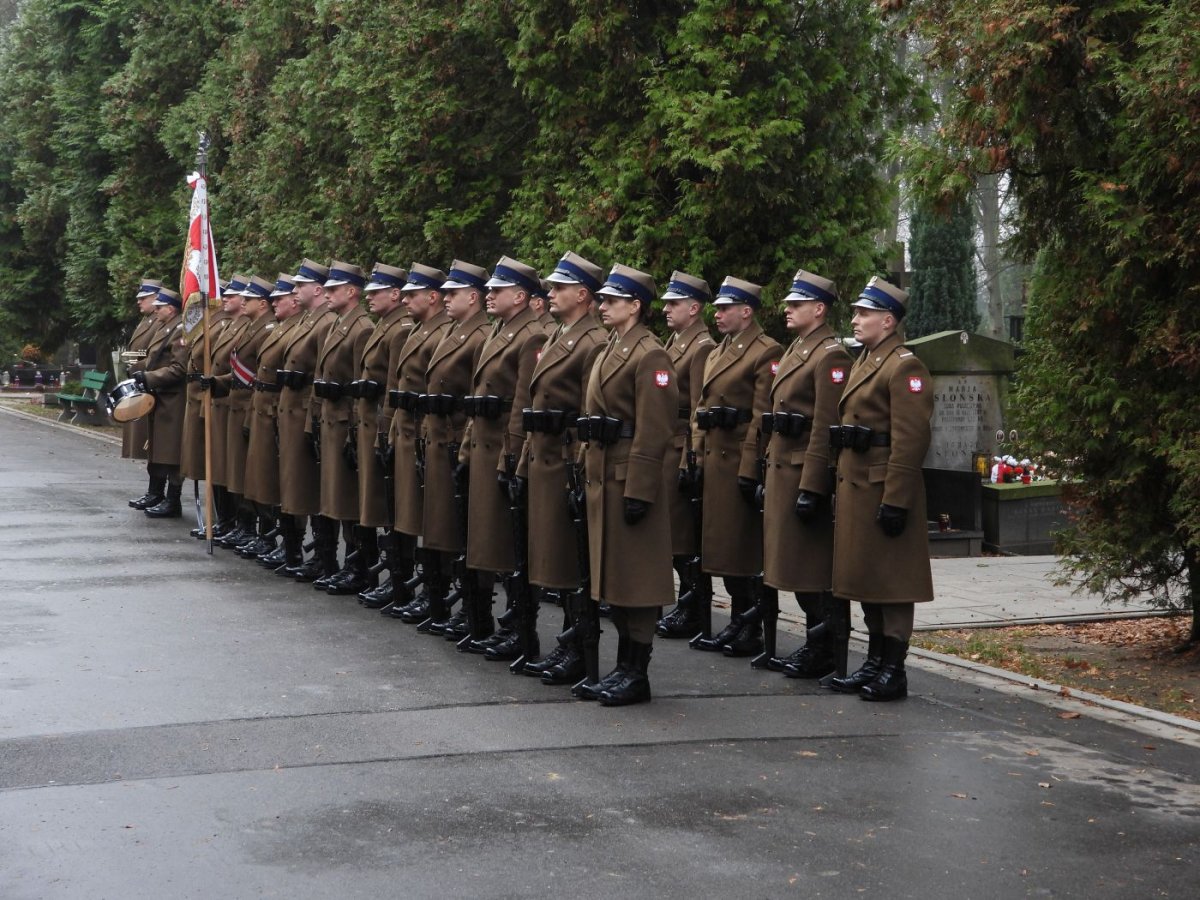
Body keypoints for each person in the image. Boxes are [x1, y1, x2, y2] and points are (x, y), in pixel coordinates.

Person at [828, 277, 934, 702]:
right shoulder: (866, 359)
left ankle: (894, 668)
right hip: (858, 486)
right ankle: (874, 661)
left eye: (864, 313)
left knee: (892, 583)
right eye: (856, 312)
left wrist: (896, 500)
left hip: (883, 487)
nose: (855, 319)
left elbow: (911, 440)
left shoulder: (904, 366)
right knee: (867, 578)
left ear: (888, 320)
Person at [577, 263, 678, 705]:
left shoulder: (650, 355)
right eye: (602, 299)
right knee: (614, 580)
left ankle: (637, 672)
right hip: (603, 474)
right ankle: (623, 668)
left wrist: (639, 489)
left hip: (628, 479)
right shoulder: (609, 349)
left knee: (636, 580)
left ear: (635, 305)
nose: (602, 306)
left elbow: (655, 429)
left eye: (612, 300)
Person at [513, 251, 607, 682]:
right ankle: (567, 643)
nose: (550, 293)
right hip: (543, 458)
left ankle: (577, 646)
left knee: (571, 560)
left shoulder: (593, 341)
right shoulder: (557, 335)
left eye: (560, 287)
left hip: (566, 463)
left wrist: (580, 472)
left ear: (582, 294)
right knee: (553, 557)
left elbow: (590, 415)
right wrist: (521, 465)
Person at [761, 269, 851, 677]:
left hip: (802, 473)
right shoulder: (799, 348)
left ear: (819, 309)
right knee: (792, 567)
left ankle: (825, 646)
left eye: (796, 304)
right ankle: (817, 642)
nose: (787, 310)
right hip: (782, 469)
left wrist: (813, 485)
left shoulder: (829, 355)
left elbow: (824, 426)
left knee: (810, 568)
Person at [458, 257, 547, 657]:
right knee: (488, 539)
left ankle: (518, 626)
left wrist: (512, 458)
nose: (489, 295)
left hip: (503, 451)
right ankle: (491, 621)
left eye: (498, 290)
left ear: (521, 296)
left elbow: (523, 405)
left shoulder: (531, 335)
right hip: (483, 447)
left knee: (510, 543)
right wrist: (465, 450)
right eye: (490, 289)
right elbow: (477, 397)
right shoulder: (499, 331)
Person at [689, 276, 782, 656]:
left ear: (746, 311)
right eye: (717, 308)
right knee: (722, 548)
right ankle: (738, 619)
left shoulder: (765, 350)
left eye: (725, 308)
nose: (718, 314)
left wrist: (749, 467)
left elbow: (761, 416)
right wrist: (695, 454)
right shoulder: (717, 351)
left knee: (742, 547)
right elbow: (701, 409)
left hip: (736, 460)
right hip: (714, 458)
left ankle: (750, 624)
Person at [409, 261, 491, 642]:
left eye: (453, 293)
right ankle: (442, 599)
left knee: (461, 529)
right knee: (441, 523)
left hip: (460, 438)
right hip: (440, 436)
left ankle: (470, 608)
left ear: (472, 297)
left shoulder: (480, 335)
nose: (445, 298)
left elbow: (476, 396)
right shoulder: (453, 331)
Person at [368, 263, 451, 613]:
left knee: (429, 517)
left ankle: (433, 591)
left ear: (432, 297)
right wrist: (386, 433)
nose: (405, 300)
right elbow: (394, 387)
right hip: (404, 431)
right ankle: (402, 581)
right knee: (402, 511)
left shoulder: (438, 331)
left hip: (424, 434)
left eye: (412, 294)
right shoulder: (417, 330)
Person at [342, 263, 413, 597]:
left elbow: (394, 388)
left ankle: (396, 577)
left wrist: (385, 433)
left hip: (382, 426)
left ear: (394, 294)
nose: (369, 297)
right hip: (368, 423)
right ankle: (372, 569)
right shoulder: (385, 325)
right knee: (372, 502)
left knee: (387, 505)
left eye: (377, 292)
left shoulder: (399, 329)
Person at [654, 270, 717, 639]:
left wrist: (690, 458)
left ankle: (693, 605)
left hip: (681, 446)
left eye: (674, 303)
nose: (666, 309)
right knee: (671, 534)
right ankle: (687, 602)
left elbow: (697, 407)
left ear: (694, 308)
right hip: (667, 443)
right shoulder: (676, 341)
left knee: (683, 536)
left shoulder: (701, 347)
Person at [311, 261, 375, 594]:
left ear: (352, 291)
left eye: (334, 289)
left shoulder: (361, 328)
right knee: (336, 496)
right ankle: (346, 563)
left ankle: (358, 566)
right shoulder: (338, 324)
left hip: (345, 423)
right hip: (330, 420)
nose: (328, 294)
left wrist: (353, 431)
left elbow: (361, 386)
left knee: (349, 498)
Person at [276, 259, 338, 580]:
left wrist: (311, 418)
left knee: (311, 486)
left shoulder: (326, 322)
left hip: (306, 411)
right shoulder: (306, 320)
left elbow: (321, 373)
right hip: (291, 410)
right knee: (296, 483)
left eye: (301, 285)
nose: (295, 289)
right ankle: (294, 550)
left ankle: (323, 557)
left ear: (318, 289)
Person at [242, 274, 304, 565]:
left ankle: (288, 543)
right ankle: (268, 535)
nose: (274, 302)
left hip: (280, 410)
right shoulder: (281, 328)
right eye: (274, 298)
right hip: (265, 408)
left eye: (280, 298)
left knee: (282, 481)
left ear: (295, 301)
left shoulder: (295, 328)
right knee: (263, 477)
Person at [218, 275, 277, 553]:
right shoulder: (252, 327)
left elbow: (258, 375)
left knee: (253, 473)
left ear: (262, 303)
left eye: (249, 298)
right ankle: (243, 525)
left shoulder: (266, 329)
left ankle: (258, 529)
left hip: (251, 406)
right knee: (240, 470)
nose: (243, 301)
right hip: (239, 404)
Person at [181, 277, 235, 539]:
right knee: (211, 463)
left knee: (221, 465)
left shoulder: (221, 325)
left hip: (219, 399)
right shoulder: (209, 323)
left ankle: (226, 520)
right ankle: (221, 520)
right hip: (201, 396)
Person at [200, 278, 251, 537]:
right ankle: (225, 521)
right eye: (225, 295)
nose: (225, 299)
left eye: (232, 295)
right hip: (219, 401)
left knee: (234, 469)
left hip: (234, 403)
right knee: (221, 467)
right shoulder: (229, 325)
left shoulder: (245, 327)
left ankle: (239, 524)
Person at [136, 287, 188, 518]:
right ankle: (155, 493)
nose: (155, 311)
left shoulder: (180, 330)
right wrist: (137, 370)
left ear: (171, 309)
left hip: (173, 399)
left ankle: (172, 500)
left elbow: (179, 368)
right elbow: (154, 359)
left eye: (159, 307)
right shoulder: (166, 327)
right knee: (158, 449)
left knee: (172, 452)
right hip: (160, 396)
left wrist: (149, 377)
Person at [124, 278, 165, 509]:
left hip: (152, 382)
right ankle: (154, 491)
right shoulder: (147, 321)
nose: (139, 302)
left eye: (144, 298)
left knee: (159, 445)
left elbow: (154, 354)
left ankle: (159, 492)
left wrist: (137, 366)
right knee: (151, 445)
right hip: (143, 381)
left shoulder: (160, 322)